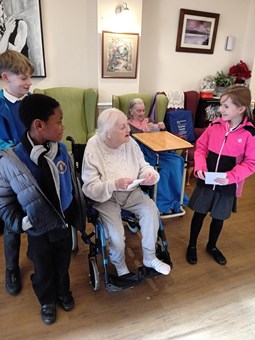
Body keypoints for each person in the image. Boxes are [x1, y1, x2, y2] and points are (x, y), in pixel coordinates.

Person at [0, 94, 85, 324]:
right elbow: (5, 200)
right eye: (58, 121)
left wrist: (78, 214)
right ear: (39, 125)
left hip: (63, 223)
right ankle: (47, 300)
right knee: (43, 267)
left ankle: (63, 291)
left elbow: (71, 187)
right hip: (37, 229)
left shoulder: (61, 152)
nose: (62, 126)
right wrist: (21, 223)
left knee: (62, 263)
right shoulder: (11, 161)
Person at [82, 108, 171, 277]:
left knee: (151, 211)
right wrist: (114, 184)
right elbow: (90, 187)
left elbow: (143, 165)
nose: (128, 129)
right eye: (122, 127)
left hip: (131, 192)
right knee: (116, 234)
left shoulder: (129, 141)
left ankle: (150, 257)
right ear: (108, 133)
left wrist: (149, 175)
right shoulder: (93, 147)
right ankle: (119, 264)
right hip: (106, 198)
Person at [186, 85, 255, 266]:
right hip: (206, 180)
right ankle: (192, 245)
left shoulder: (249, 134)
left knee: (218, 217)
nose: (220, 109)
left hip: (228, 184)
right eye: (221, 105)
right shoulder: (215, 125)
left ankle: (212, 246)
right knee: (199, 214)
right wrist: (200, 166)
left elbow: (251, 162)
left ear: (240, 109)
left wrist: (231, 177)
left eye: (226, 106)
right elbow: (200, 147)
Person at [0, 49, 34, 295]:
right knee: (12, 225)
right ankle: (11, 268)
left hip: (34, 173)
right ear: (5, 77)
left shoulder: (33, 104)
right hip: (9, 176)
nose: (29, 83)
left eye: (28, 77)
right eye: (23, 78)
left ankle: (36, 255)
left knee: (35, 216)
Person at [127, 98, 189, 215]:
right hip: (142, 155)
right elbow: (127, 145)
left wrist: (162, 128)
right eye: (138, 111)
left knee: (177, 162)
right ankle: (163, 204)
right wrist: (141, 133)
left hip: (157, 151)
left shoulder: (149, 120)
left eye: (143, 110)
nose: (141, 114)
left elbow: (160, 138)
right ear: (131, 111)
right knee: (164, 171)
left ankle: (177, 200)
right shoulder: (127, 125)